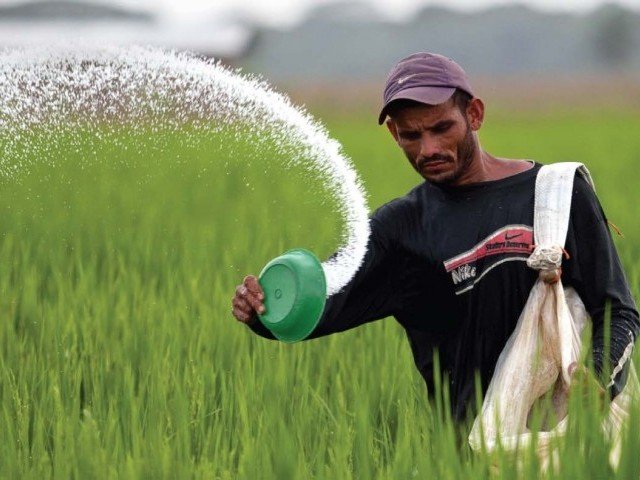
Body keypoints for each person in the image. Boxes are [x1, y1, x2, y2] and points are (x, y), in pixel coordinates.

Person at [231, 52, 639, 421]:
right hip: (470, 454)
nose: (428, 149)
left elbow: (616, 309)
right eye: (411, 136)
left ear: (474, 115)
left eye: (442, 128)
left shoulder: (556, 194)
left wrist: (597, 379)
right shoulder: (402, 229)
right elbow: (323, 303)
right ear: (394, 134)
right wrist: (263, 312)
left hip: (563, 438)